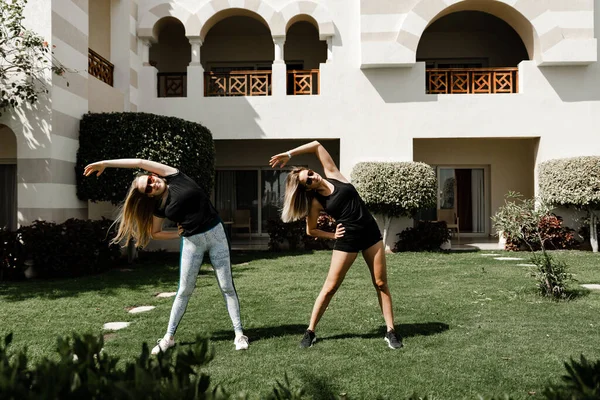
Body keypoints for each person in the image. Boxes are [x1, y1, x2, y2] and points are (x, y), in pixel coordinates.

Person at [83, 159, 249, 353]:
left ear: (155, 175)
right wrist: (177, 234)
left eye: (151, 179)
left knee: (227, 286)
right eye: (148, 188)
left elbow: (139, 162)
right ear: (149, 195)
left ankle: (239, 334)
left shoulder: (176, 177)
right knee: (184, 290)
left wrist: (105, 164)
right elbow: (155, 232)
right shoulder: (159, 208)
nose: (153, 184)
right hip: (191, 243)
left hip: (216, 235)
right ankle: (168, 337)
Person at [269, 141, 403, 349]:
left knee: (380, 283)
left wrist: (289, 153)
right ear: (307, 188)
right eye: (309, 181)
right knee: (330, 287)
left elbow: (316, 145)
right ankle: (310, 331)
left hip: (370, 234)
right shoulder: (316, 202)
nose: (314, 177)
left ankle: (391, 331)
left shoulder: (333, 174)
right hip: (347, 240)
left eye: (310, 173)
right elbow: (310, 230)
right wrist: (332, 235)